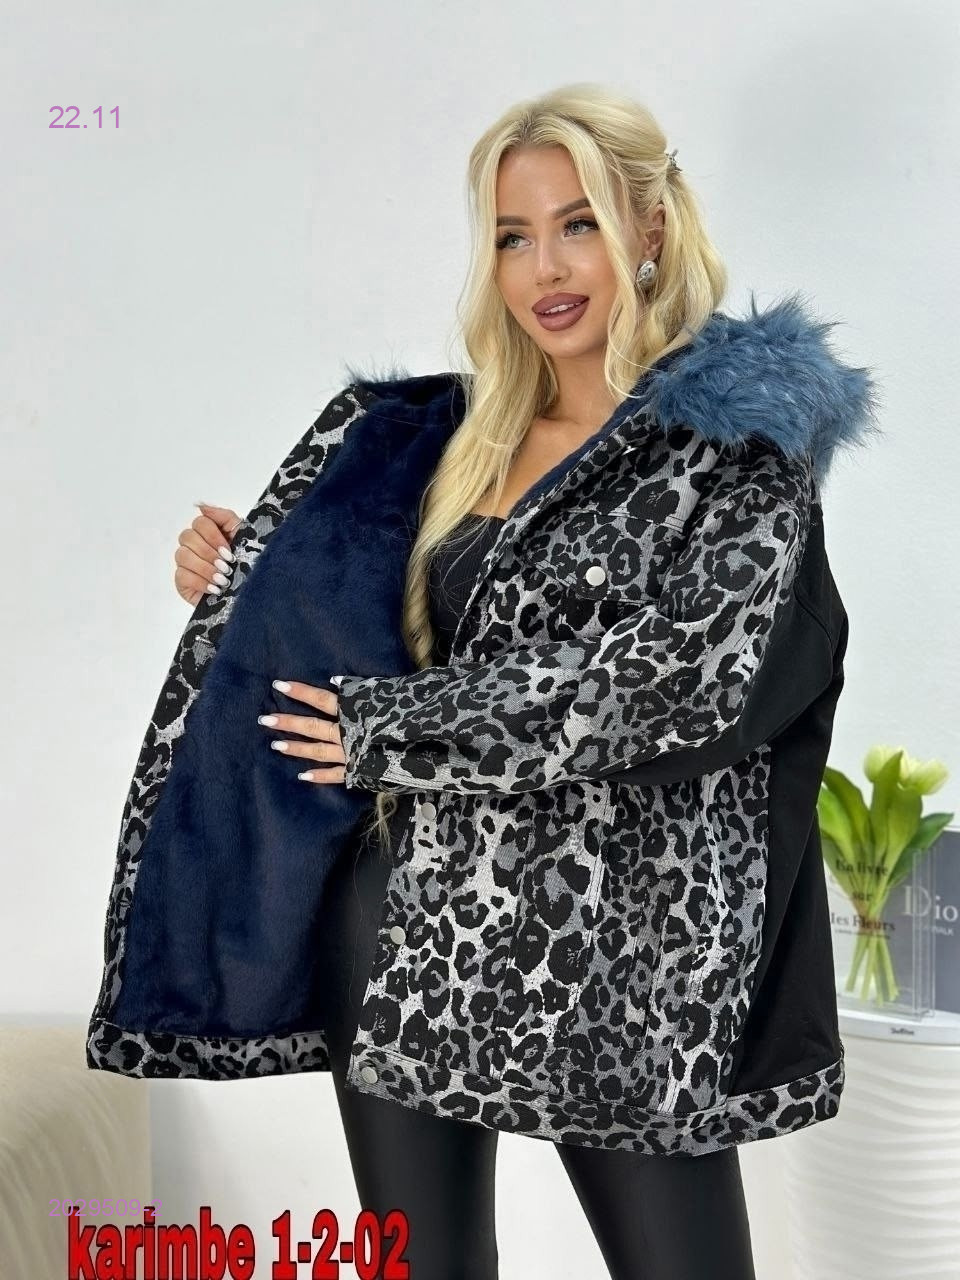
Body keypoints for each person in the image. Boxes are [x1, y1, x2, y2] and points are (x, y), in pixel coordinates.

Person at [101, 83, 879, 1280]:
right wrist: (248, 571)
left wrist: (391, 730)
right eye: (513, 236)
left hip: (623, 951)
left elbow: (676, 684)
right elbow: (369, 630)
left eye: (578, 225)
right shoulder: (455, 438)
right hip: (408, 917)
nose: (544, 268)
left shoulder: (737, 450)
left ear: (651, 226)